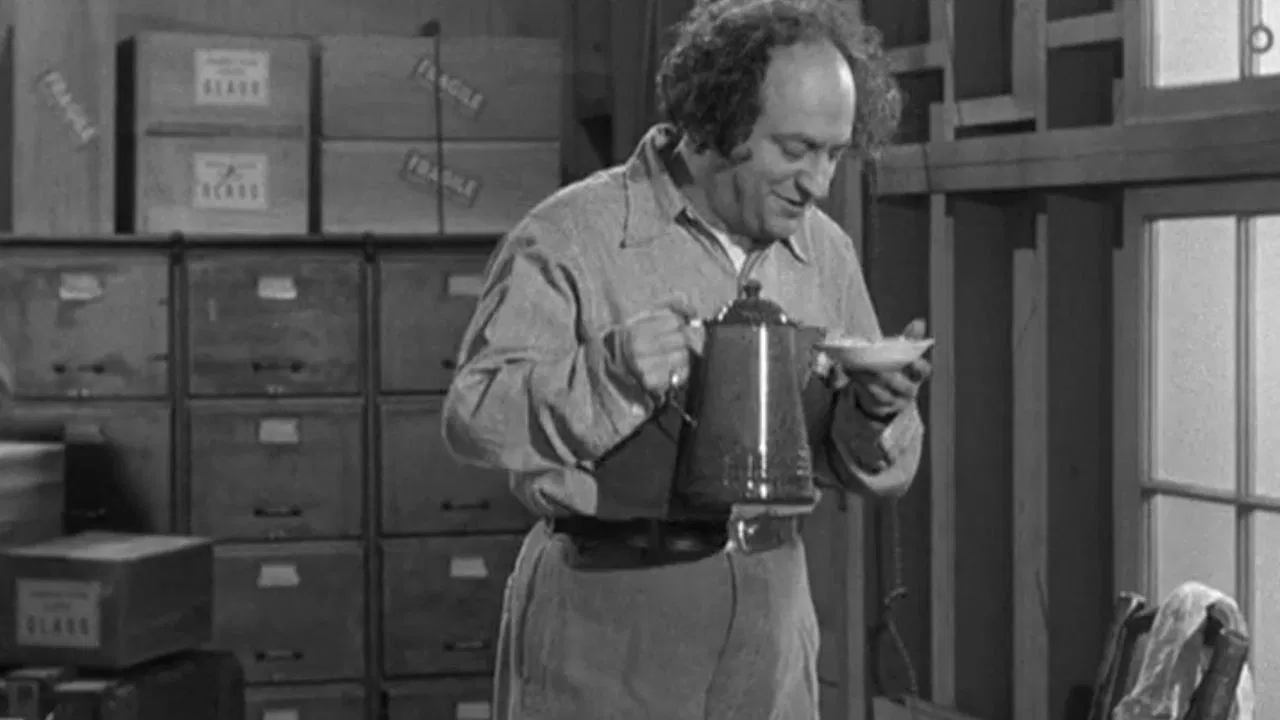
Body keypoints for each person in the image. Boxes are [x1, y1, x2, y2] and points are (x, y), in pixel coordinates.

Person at [442, 0, 930, 717]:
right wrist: (608, 376)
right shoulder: (574, 234)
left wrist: (876, 411)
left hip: (773, 612)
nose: (819, 182)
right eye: (795, 150)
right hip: (611, 615)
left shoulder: (823, 251)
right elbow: (475, 416)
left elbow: (856, 462)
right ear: (716, 122)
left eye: (834, 154)